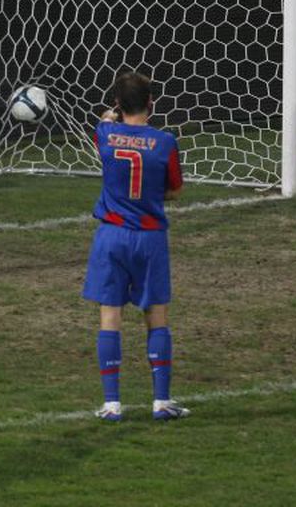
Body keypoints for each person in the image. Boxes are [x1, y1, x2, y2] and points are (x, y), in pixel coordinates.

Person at [82, 72, 189, 421]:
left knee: (110, 315)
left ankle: (112, 404)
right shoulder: (165, 142)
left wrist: (109, 117)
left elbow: (103, 126)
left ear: (117, 104)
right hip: (150, 237)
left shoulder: (105, 134)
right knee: (155, 317)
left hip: (111, 236)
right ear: (151, 104)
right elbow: (174, 191)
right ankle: (161, 401)